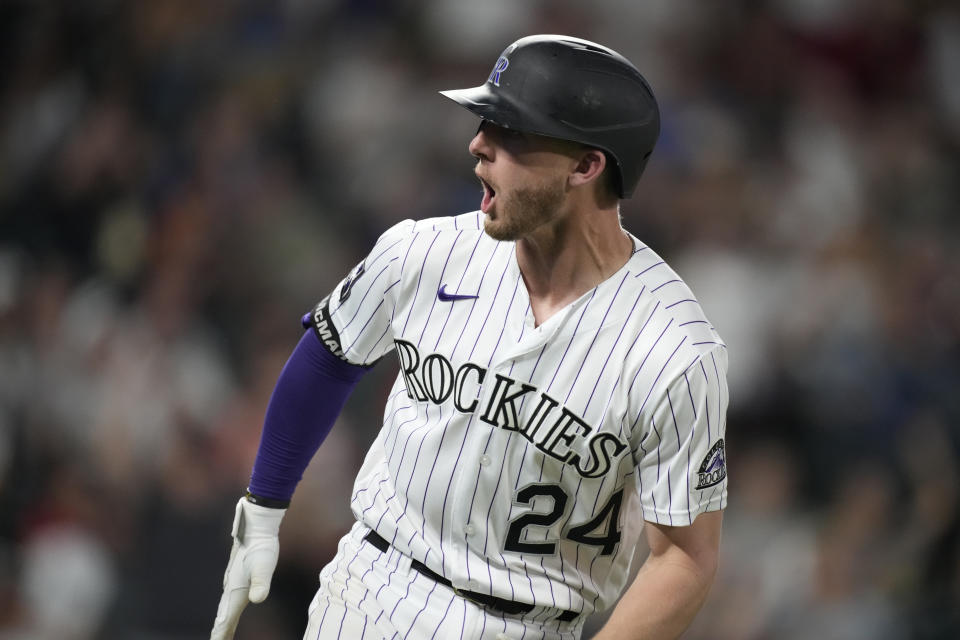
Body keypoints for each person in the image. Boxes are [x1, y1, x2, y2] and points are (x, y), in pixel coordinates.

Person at [210, 34, 729, 640]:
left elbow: (685, 558)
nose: (478, 145)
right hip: (369, 592)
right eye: (486, 122)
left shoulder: (676, 349)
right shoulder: (423, 251)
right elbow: (329, 357)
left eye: (512, 132)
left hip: (526, 625)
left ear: (587, 166)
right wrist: (264, 505)